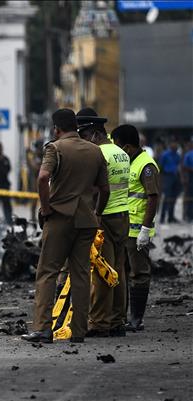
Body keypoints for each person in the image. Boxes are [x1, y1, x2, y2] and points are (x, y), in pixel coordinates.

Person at [21, 109, 109, 344]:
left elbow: (42, 178)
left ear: (56, 129)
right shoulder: (94, 151)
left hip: (60, 219)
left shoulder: (55, 148)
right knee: (81, 275)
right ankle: (78, 330)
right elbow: (105, 189)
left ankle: (42, 329)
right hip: (86, 221)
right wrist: (96, 213)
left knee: (47, 272)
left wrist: (46, 208)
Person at [76, 108, 130, 337]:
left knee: (102, 271)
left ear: (96, 134)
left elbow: (97, 190)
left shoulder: (100, 155)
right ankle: (117, 321)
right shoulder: (121, 153)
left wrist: (93, 214)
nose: (85, 142)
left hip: (104, 217)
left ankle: (99, 323)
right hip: (123, 216)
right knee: (118, 270)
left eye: (85, 137)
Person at [111, 124, 160, 332]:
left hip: (137, 232)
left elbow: (153, 198)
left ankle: (136, 319)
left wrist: (145, 230)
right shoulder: (128, 163)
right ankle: (122, 316)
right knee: (122, 273)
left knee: (139, 273)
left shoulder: (146, 165)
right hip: (124, 229)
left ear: (129, 147)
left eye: (119, 146)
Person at [158, 140, 181, 224]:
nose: (175, 145)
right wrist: (160, 179)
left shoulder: (177, 155)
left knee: (173, 197)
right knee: (166, 197)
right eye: (174, 143)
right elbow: (160, 166)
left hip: (175, 176)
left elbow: (178, 165)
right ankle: (162, 217)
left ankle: (171, 217)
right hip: (167, 176)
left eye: (176, 144)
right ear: (170, 144)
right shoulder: (165, 154)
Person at [183, 142, 193, 222]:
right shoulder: (188, 154)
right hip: (190, 176)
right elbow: (185, 166)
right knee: (189, 196)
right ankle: (188, 215)